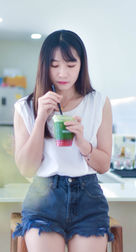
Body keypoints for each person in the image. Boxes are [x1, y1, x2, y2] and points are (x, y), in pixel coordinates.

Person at [13, 30, 114, 252]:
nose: (62, 73)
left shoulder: (98, 103)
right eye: (55, 65)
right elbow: (27, 168)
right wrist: (40, 120)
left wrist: (82, 143)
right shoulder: (25, 107)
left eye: (70, 65)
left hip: (88, 197)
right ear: (44, 66)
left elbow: (104, 165)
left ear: (81, 65)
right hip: (43, 198)